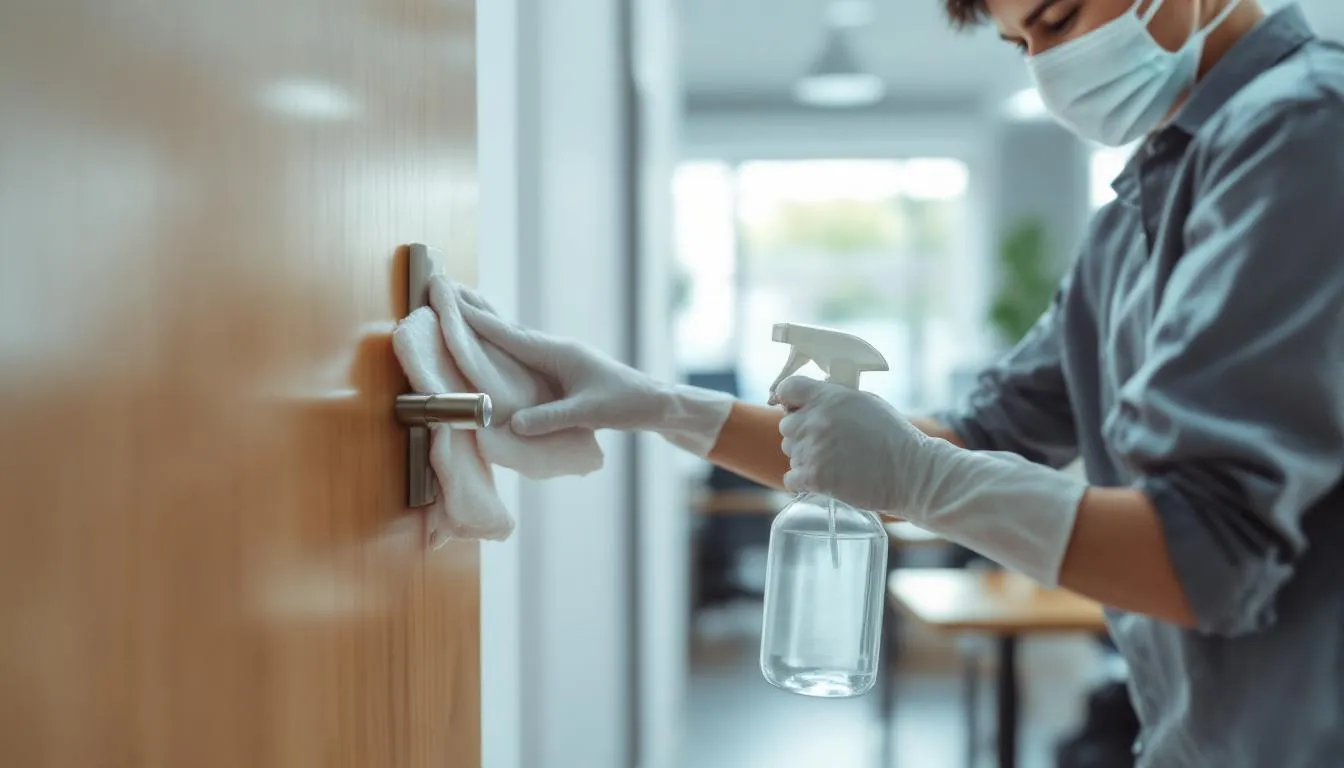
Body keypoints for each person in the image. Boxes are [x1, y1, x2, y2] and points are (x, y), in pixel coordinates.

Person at [456, 0, 1344, 763]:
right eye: (1021, 45)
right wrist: (660, 405)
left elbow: (1205, 556)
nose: (1050, 67)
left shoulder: (1306, 133)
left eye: (1060, 19)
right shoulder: (1137, 215)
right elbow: (970, 436)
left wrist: (925, 480)